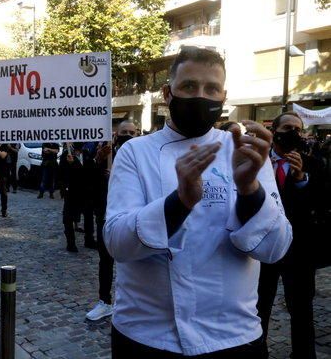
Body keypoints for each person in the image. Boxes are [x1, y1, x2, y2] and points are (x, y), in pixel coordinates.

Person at [104, 46, 292, 358]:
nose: (200, 96)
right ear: (168, 93)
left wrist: (250, 190)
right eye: (189, 86)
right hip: (147, 334)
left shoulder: (243, 152)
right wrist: (179, 202)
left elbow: (275, 248)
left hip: (233, 335)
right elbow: (117, 243)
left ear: (223, 96)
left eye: (212, 89)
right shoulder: (135, 153)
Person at [256, 112, 321, 359]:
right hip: (263, 247)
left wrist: (300, 179)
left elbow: (319, 202)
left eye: (298, 128)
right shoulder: (258, 162)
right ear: (275, 131)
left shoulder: (312, 163)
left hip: (299, 249)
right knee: (259, 306)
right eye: (287, 127)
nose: (293, 132)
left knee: (302, 309)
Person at [86, 121, 137, 321]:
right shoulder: (106, 153)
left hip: (133, 214)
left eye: (132, 133)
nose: (128, 136)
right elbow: (87, 180)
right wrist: (98, 162)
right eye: (124, 132)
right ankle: (105, 301)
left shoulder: (142, 155)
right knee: (105, 259)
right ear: (116, 134)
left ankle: (133, 302)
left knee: (134, 261)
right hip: (106, 213)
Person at [59, 142, 97, 252]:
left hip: (86, 191)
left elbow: (89, 171)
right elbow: (62, 173)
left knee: (89, 216)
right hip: (72, 191)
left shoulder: (86, 153)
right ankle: (71, 243)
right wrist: (63, 189)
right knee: (68, 218)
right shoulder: (66, 155)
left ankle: (89, 239)